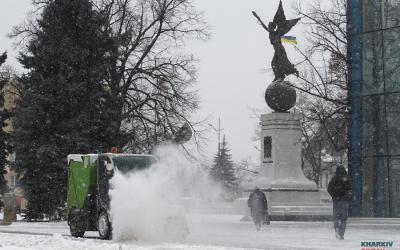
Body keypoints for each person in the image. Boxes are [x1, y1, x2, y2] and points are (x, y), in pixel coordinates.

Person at [327, 165, 352, 240]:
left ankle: (337, 228)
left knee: (336, 216)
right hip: (344, 201)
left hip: (336, 201)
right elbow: (349, 189)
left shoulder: (334, 179)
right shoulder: (347, 178)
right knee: (343, 218)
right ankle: (341, 233)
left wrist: (334, 196)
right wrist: (347, 196)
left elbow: (329, 188)